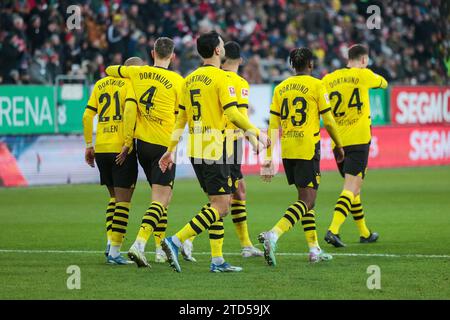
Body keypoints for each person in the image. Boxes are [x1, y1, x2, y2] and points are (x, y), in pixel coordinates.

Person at [158, 31, 270, 273]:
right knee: (221, 206)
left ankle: (217, 260)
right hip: (215, 146)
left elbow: (181, 119)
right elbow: (232, 113)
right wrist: (257, 132)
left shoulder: (189, 79)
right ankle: (176, 240)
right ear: (218, 51)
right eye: (221, 44)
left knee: (216, 203)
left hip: (196, 147)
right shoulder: (222, 79)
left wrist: (170, 150)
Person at [259, 47, 344, 266]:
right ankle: (274, 234)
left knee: (305, 199)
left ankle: (314, 249)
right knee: (308, 199)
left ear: (291, 65)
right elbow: (330, 120)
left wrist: (269, 156)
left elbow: (273, 126)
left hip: (288, 149)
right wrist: (338, 144)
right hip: (307, 148)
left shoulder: (280, 88)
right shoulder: (317, 85)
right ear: (311, 65)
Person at [105, 37, 184, 267]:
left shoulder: (138, 73)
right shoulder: (177, 81)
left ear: (152, 53)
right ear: (173, 56)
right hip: (163, 146)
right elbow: (182, 115)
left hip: (142, 146)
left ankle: (160, 249)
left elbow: (110, 69)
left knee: (160, 200)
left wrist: (128, 71)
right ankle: (140, 244)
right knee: (161, 199)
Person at [187, 41, 264, 260]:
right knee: (224, 198)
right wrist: (255, 139)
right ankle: (187, 239)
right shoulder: (239, 83)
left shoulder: (208, 77)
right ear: (240, 60)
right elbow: (239, 115)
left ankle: (245, 244)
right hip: (229, 141)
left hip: (210, 140)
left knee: (235, 193)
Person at [323, 44, 388, 247]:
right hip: (358, 140)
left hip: (337, 143)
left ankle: (364, 233)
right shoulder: (364, 74)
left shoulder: (328, 79)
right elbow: (384, 83)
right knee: (351, 187)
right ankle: (333, 230)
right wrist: (368, 74)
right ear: (363, 60)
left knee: (355, 189)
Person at [82, 58, 141, 265]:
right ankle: (115, 253)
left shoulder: (100, 84)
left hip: (102, 148)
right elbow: (129, 113)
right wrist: (127, 142)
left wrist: (89, 144)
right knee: (124, 202)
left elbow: (87, 116)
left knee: (114, 198)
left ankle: (110, 243)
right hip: (120, 149)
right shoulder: (130, 85)